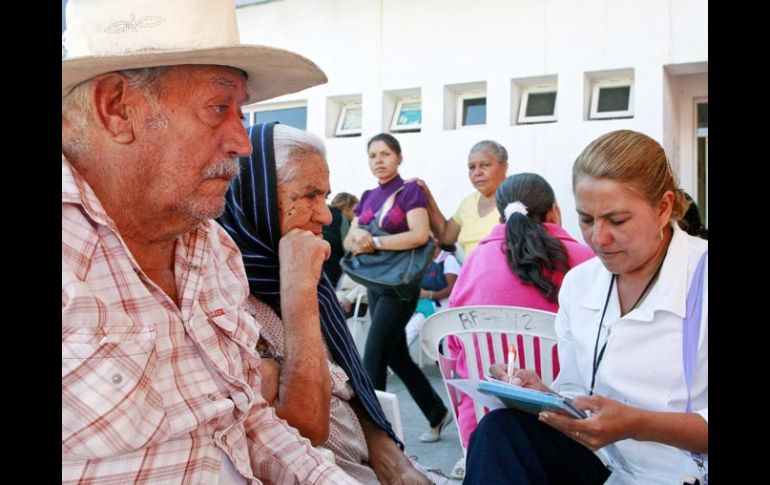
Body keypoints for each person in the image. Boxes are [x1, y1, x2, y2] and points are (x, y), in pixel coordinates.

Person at [62, 1, 357, 483]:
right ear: (116, 108)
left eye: (241, 113)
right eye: (219, 108)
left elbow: (249, 420)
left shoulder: (212, 247)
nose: (242, 141)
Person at [464, 130, 708, 485]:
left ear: (664, 208)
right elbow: (580, 391)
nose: (598, 238)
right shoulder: (581, 283)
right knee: (501, 431)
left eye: (617, 220)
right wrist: (546, 398)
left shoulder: (700, 277)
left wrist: (636, 423)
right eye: (587, 220)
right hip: (608, 468)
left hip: (682, 475)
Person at [218, 122, 439, 484]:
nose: (325, 215)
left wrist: (394, 464)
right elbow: (308, 428)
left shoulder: (299, 273)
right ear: (254, 196)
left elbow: (351, 390)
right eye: (308, 196)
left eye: (325, 196)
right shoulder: (224, 295)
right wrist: (298, 292)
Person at [446, 173, 594, 478]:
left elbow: (452, 348)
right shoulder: (587, 262)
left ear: (500, 217)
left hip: (487, 427)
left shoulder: (474, 263)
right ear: (554, 211)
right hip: (576, 432)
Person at [344, 133, 452, 443]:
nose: (379, 160)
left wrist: (373, 241)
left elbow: (419, 235)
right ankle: (435, 411)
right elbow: (351, 238)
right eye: (373, 155)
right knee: (395, 355)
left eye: (386, 154)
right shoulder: (366, 196)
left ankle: (376, 436)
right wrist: (359, 239)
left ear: (399, 158)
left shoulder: (410, 192)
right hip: (377, 281)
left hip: (402, 285)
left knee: (373, 356)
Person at [416, 140, 509, 260]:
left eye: (485, 165)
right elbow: (446, 237)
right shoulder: (468, 203)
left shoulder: (518, 199)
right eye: (471, 167)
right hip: (470, 276)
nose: (477, 173)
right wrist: (427, 197)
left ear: (504, 166)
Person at [323, 192, 359, 287]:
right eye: (355, 209)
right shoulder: (342, 219)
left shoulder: (324, 213)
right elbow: (346, 247)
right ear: (347, 207)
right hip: (331, 261)